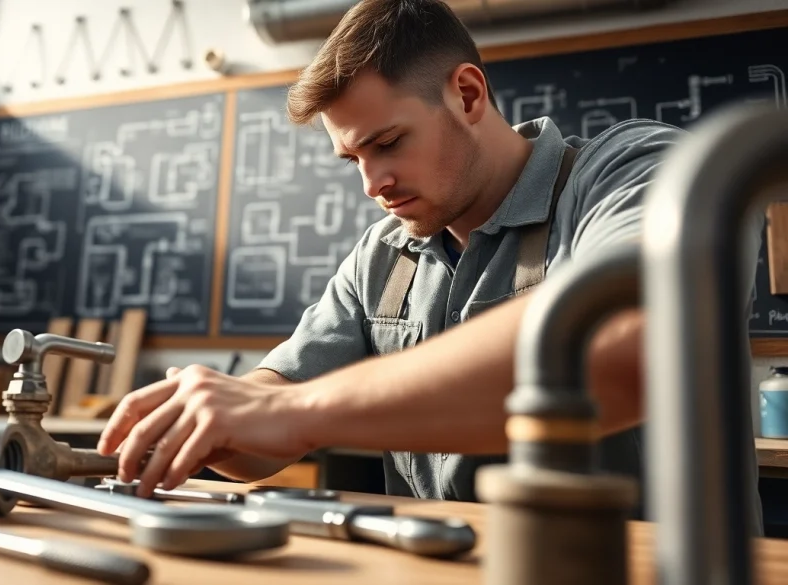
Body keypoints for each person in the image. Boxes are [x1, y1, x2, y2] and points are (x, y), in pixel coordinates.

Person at [96, 0, 763, 531]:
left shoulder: (634, 173)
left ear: (468, 94)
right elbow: (267, 428)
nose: (372, 184)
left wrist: (297, 409)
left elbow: (627, 346)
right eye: (352, 159)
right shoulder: (383, 255)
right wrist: (208, 420)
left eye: (387, 143)